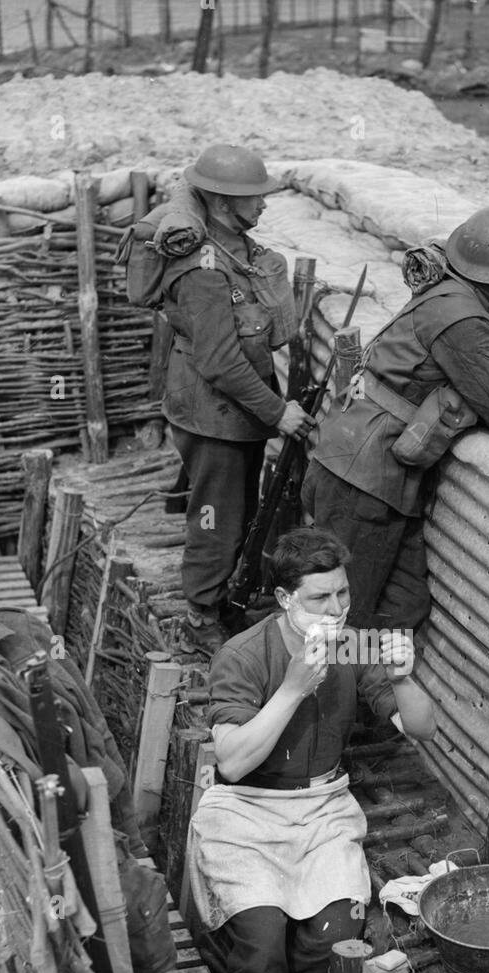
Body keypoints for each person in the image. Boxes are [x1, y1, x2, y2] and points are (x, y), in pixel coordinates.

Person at [186, 527, 435, 973]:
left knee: (330, 940)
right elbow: (234, 760)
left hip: (322, 811)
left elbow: (419, 726)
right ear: (282, 599)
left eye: (342, 593)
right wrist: (294, 687)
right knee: (261, 941)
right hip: (246, 810)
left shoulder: (353, 648)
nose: (335, 609)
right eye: (319, 596)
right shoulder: (244, 655)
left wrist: (405, 680)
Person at [301, 204, 489, 633]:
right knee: (341, 619)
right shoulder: (462, 320)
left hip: (363, 468)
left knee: (403, 608)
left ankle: (374, 696)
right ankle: (316, 698)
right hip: (363, 480)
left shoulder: (454, 296)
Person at [155, 145, 315, 656]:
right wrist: (278, 413)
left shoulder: (237, 252)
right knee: (215, 518)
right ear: (223, 203)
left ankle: (224, 601)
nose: (264, 205)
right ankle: (201, 617)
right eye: (255, 198)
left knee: (236, 511)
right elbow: (221, 363)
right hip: (213, 417)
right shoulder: (204, 271)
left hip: (230, 416)